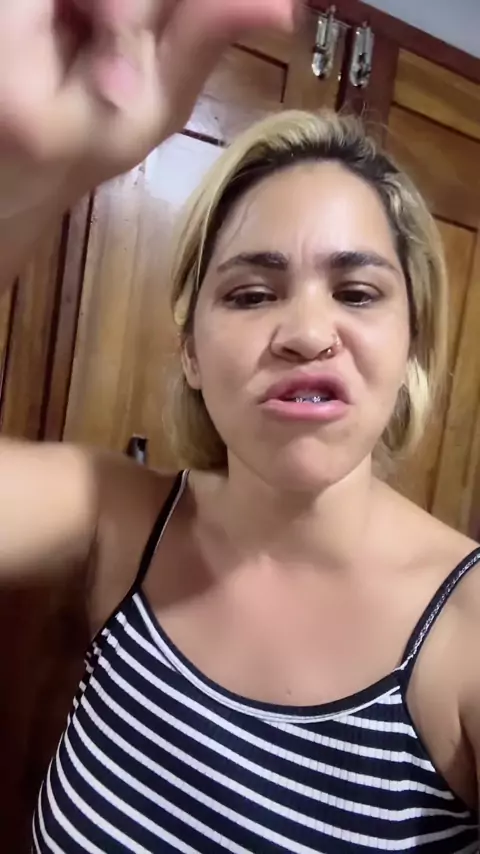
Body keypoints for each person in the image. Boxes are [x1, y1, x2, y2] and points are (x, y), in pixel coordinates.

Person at [2, 1, 480, 852]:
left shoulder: (467, 635)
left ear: (412, 340)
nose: (305, 332)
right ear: (190, 350)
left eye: (358, 292)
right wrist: (20, 181)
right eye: (252, 294)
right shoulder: (118, 517)